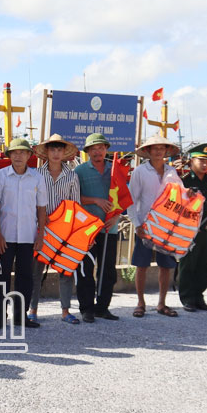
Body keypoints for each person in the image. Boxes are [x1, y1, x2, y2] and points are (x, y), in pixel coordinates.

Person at [0, 138, 47, 330]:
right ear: (9, 156)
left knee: (25, 277)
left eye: (23, 152)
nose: (19, 156)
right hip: (5, 235)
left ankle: (20, 316)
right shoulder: (0, 176)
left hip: (28, 235)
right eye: (15, 152)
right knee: (1, 276)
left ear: (29, 156)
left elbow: (41, 209)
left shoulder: (37, 178)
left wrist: (41, 235)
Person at [128, 134, 183, 318]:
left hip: (166, 227)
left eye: (162, 148)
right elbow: (130, 201)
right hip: (145, 225)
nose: (159, 151)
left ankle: (162, 303)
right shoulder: (139, 172)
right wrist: (137, 224)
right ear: (148, 151)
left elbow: (180, 197)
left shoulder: (172, 173)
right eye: (155, 148)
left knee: (166, 266)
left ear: (166, 151)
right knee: (141, 265)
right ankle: (140, 303)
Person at [28, 134, 82, 325]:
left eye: (59, 150)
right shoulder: (36, 175)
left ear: (64, 153)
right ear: (47, 153)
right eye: (53, 149)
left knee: (65, 272)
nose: (56, 153)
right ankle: (32, 309)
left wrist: (72, 230)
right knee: (35, 272)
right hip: (40, 229)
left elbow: (75, 205)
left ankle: (65, 311)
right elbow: (31, 203)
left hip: (63, 232)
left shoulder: (72, 176)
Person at [74, 133, 121, 322]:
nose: (97, 151)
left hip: (110, 228)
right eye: (93, 148)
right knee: (85, 269)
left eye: (101, 147)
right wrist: (95, 200)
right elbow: (74, 198)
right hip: (87, 229)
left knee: (107, 270)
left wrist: (116, 216)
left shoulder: (115, 171)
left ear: (106, 149)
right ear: (87, 151)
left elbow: (124, 197)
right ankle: (86, 308)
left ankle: (103, 307)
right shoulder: (79, 171)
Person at [178, 143, 207, 312]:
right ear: (192, 161)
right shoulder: (184, 182)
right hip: (191, 230)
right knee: (188, 264)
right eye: (201, 160)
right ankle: (187, 297)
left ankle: (199, 296)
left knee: (205, 265)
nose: (205, 164)